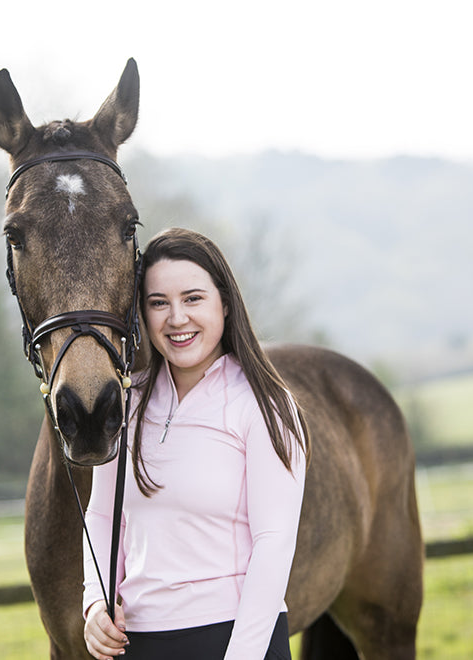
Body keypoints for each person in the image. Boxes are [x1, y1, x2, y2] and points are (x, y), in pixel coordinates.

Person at [82, 227, 310, 660]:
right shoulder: (126, 404)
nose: (176, 318)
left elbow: (274, 541)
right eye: (157, 303)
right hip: (136, 644)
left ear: (224, 302)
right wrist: (95, 600)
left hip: (233, 637)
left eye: (192, 298)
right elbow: (102, 513)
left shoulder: (264, 405)